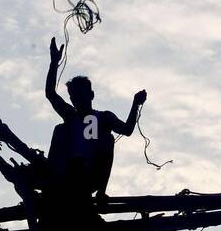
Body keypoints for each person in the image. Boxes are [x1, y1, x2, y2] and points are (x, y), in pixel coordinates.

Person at [45, 37, 146, 201]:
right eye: (73, 97)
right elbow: (51, 94)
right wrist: (54, 63)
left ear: (91, 95)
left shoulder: (103, 117)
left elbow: (127, 130)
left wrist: (135, 104)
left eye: (80, 95)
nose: (76, 100)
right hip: (66, 172)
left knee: (106, 137)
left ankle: (101, 192)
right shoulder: (70, 116)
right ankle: (50, 177)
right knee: (60, 129)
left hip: (90, 175)